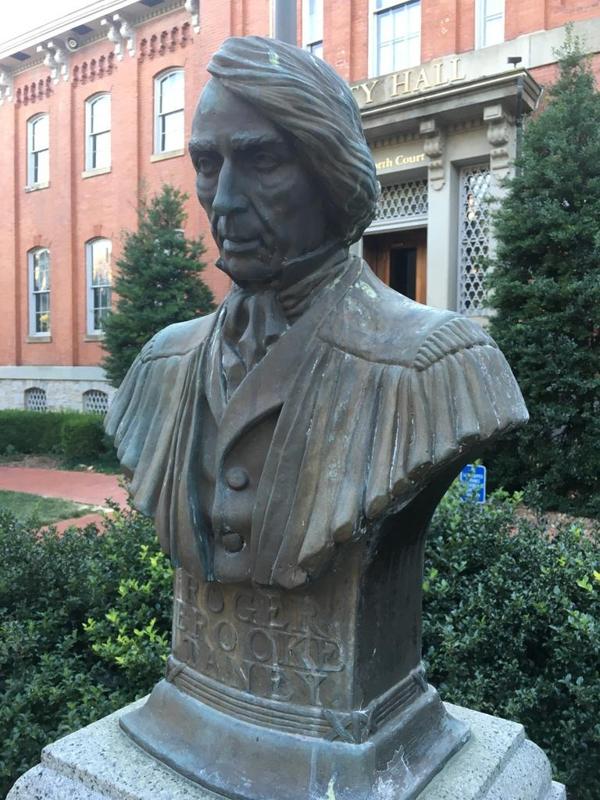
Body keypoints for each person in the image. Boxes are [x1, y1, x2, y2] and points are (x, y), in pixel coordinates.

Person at [106, 35, 527, 590]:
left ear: (332, 173)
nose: (225, 199)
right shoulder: (161, 363)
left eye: (262, 160)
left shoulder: (439, 367)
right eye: (208, 164)